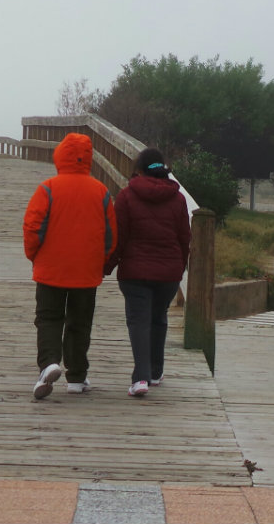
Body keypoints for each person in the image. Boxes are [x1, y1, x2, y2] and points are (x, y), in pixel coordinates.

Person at [23, 133, 117, 399]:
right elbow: (111, 235)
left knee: (49, 318)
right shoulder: (102, 192)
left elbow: (33, 227)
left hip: (51, 269)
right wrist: (102, 261)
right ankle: (76, 377)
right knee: (80, 323)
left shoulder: (48, 188)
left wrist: (34, 256)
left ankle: (49, 364)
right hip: (86, 272)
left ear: (60, 155)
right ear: (88, 158)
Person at [106, 147, 191, 398]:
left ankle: (140, 379)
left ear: (138, 170)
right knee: (158, 317)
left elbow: (117, 238)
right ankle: (155, 372)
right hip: (168, 273)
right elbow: (184, 237)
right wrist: (180, 265)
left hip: (134, 273)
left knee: (139, 321)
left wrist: (107, 266)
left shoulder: (126, 196)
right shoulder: (178, 199)